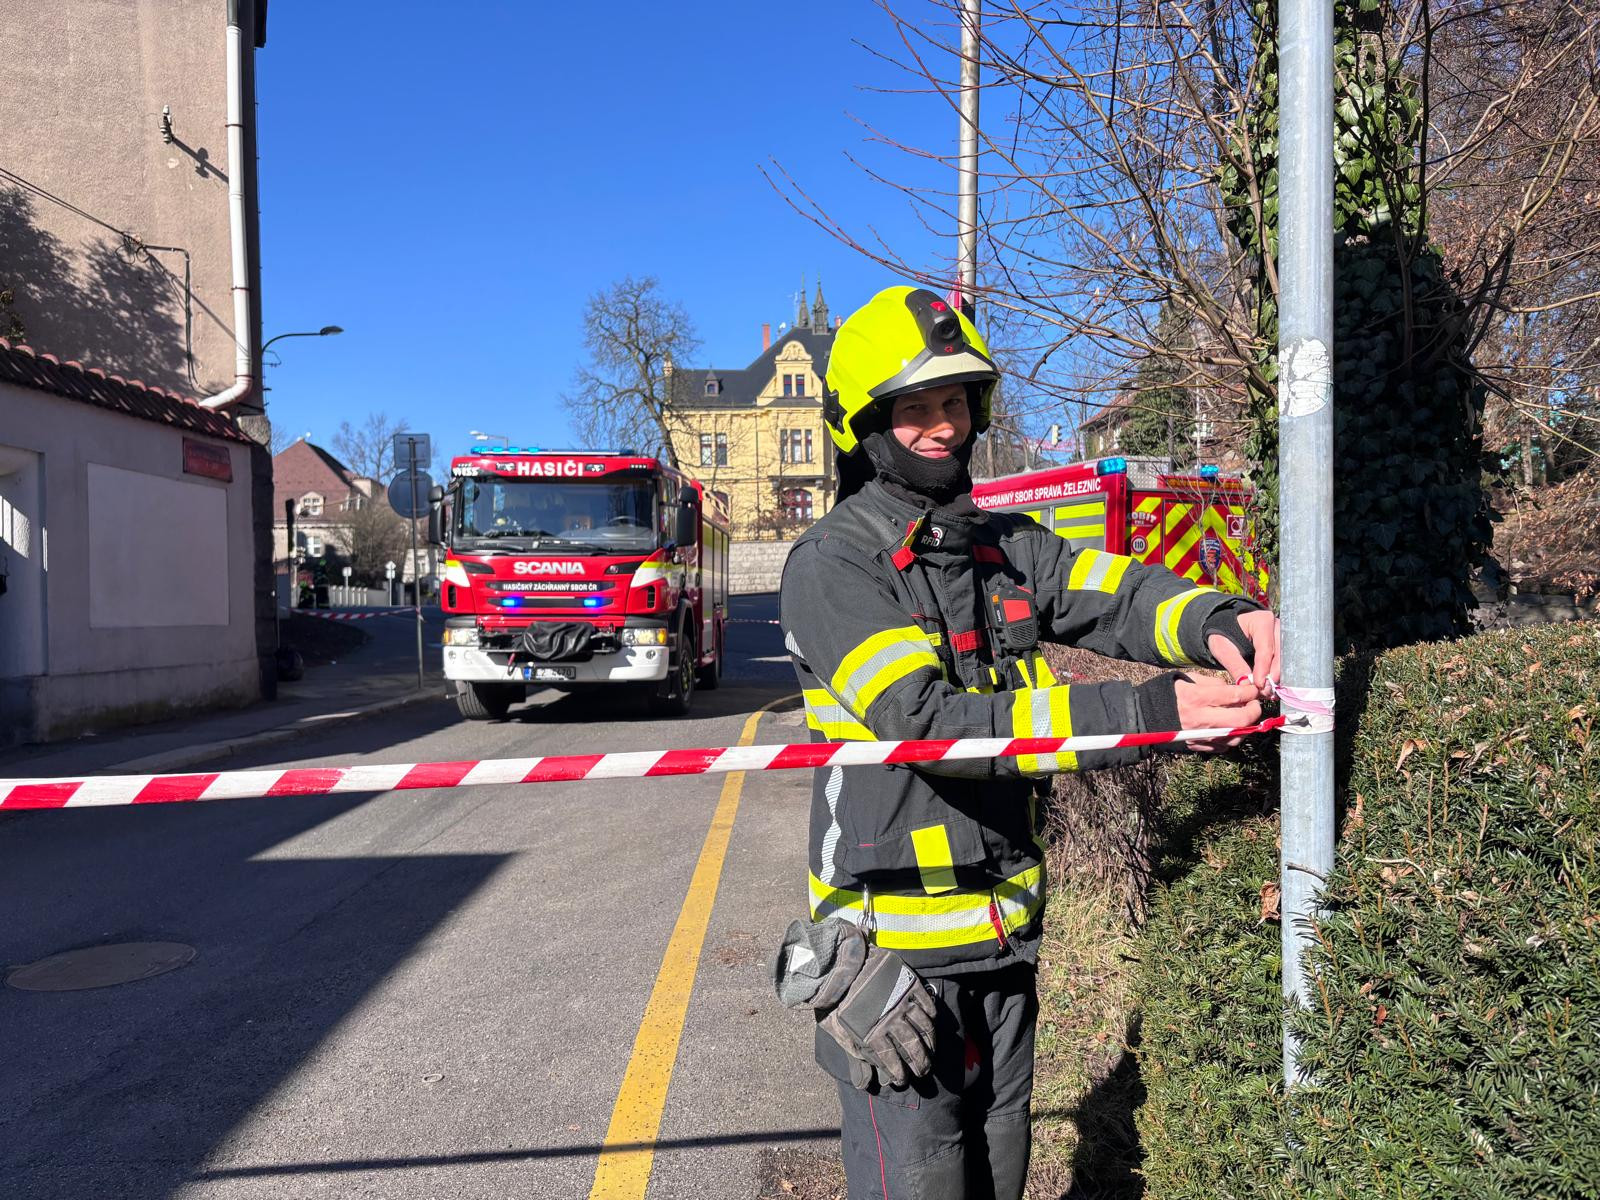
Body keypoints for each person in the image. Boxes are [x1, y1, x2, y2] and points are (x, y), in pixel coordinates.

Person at [772, 285, 1280, 1199]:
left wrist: (1216, 616)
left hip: (1005, 948)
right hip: (895, 965)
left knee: (999, 1182)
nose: (942, 427)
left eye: (955, 403)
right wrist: (1148, 713)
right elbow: (927, 725)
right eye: (915, 408)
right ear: (867, 425)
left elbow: (1112, 592)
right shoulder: (835, 565)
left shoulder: (997, 541)